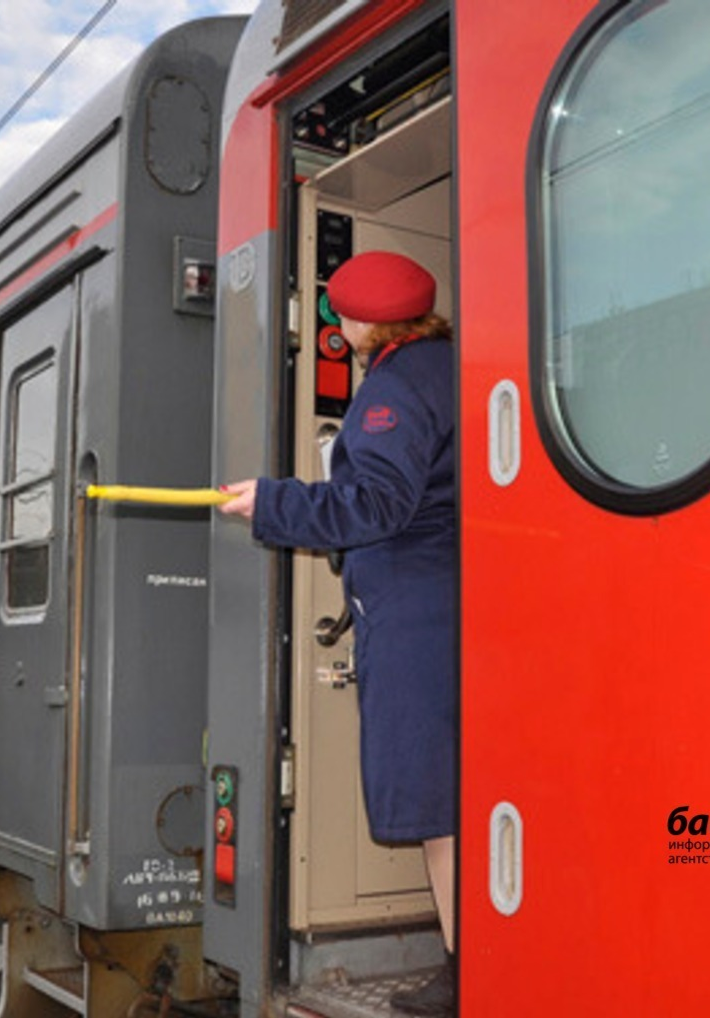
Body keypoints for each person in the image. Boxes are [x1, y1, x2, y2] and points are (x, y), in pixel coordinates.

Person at [219, 250, 456, 1017]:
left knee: (435, 804)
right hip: (455, 608)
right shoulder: (454, 364)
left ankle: (466, 975)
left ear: (358, 321)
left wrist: (272, 503)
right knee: (462, 792)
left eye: (338, 315)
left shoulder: (393, 386)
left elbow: (379, 504)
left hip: (418, 620)